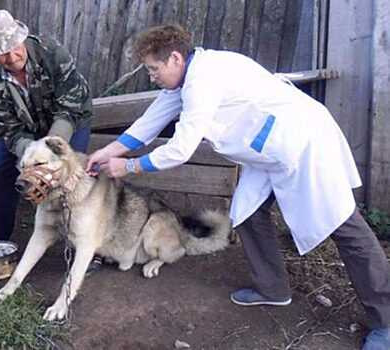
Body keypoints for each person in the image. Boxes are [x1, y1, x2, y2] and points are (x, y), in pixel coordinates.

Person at [86, 24, 390, 349]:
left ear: (175, 58)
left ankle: (386, 322)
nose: (151, 76)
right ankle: (273, 289)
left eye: (154, 69)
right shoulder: (184, 79)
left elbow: (181, 148)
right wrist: (106, 152)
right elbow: (149, 123)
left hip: (302, 143)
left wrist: (129, 166)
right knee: (247, 211)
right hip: (267, 152)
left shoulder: (203, 80)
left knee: (346, 227)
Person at [0, 10, 101, 276]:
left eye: (14, 47)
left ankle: (87, 248)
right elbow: (9, 129)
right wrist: (30, 155)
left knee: (73, 177)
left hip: (69, 123)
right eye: (2, 53)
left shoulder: (52, 52)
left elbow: (71, 105)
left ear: (22, 37)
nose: (12, 56)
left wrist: (50, 148)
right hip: (25, 135)